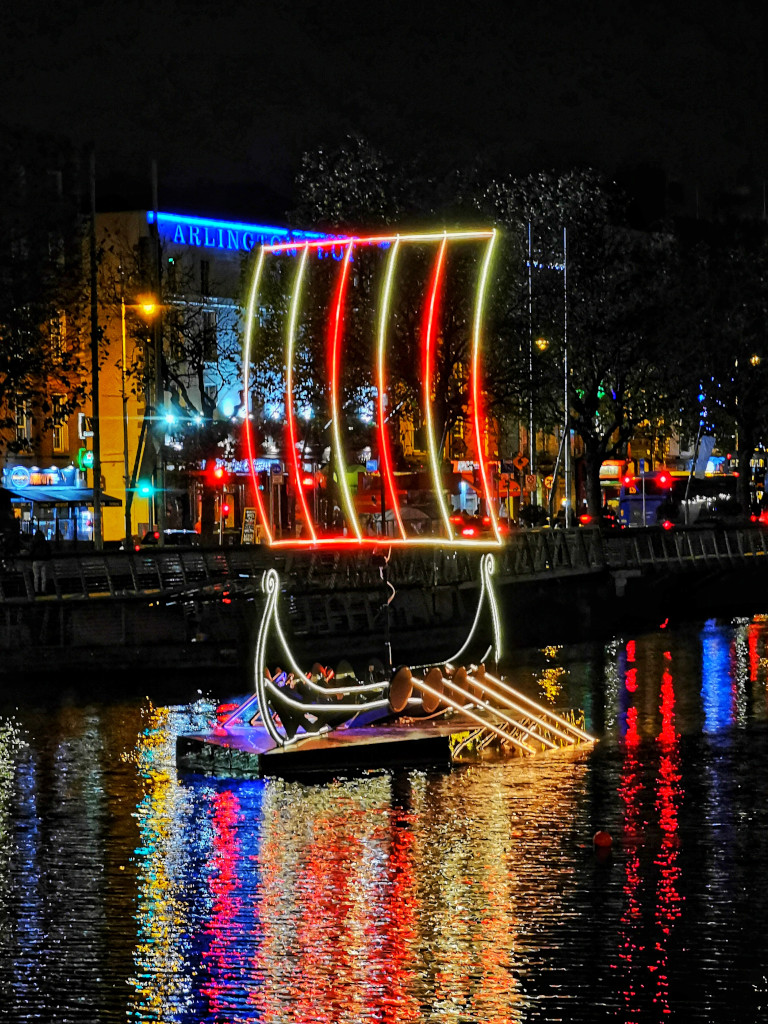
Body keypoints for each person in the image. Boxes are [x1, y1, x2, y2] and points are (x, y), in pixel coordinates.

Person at [30, 527, 52, 595]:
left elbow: (31, 552)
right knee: (44, 577)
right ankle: (43, 590)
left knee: (36, 576)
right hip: (44, 560)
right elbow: (49, 551)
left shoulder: (34, 543)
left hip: (36, 560)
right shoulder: (45, 543)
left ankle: (36, 590)